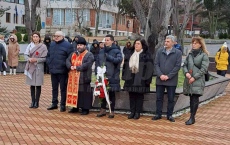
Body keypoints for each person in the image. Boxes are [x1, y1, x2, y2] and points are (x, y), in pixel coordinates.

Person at [122, 38, 154, 119]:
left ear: (142, 45)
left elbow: (150, 69)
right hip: (131, 78)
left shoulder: (146, 55)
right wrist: (124, 76)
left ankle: (137, 112)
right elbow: (125, 66)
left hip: (141, 79)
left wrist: (148, 80)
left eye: (138, 43)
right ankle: (132, 111)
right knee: (131, 95)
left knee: (139, 96)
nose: (136, 45)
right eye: (135, 43)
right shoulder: (130, 54)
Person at [153, 35, 182, 122]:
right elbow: (156, 64)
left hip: (171, 81)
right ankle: (158, 114)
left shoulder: (178, 53)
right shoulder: (160, 51)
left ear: (173, 43)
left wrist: (168, 76)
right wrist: (160, 75)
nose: (166, 42)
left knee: (170, 98)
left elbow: (177, 66)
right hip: (160, 79)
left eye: (168, 41)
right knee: (159, 98)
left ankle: (169, 115)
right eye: (165, 41)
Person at [182, 37, 209, 125]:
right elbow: (185, 65)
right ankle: (191, 116)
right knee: (191, 98)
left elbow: (204, 69)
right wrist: (186, 73)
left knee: (195, 98)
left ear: (200, 45)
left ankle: (192, 117)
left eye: (196, 43)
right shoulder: (190, 54)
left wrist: (194, 77)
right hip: (189, 78)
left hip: (197, 80)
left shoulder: (204, 55)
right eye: (193, 43)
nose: (193, 44)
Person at [96, 34, 123, 118]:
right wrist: (98, 71)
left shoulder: (117, 51)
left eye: (108, 40)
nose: (106, 42)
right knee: (102, 93)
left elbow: (118, 60)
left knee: (111, 94)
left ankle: (112, 110)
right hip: (102, 76)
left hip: (112, 76)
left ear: (112, 41)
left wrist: (109, 57)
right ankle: (103, 109)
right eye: (105, 40)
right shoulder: (101, 51)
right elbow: (97, 61)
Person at [46, 31, 74, 112]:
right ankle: (54, 103)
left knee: (63, 88)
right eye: (55, 36)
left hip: (63, 70)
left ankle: (63, 104)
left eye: (58, 36)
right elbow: (48, 55)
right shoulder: (52, 44)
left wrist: (66, 66)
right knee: (54, 88)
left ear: (62, 37)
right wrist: (49, 63)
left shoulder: (68, 45)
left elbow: (70, 57)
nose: (56, 37)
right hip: (53, 69)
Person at [66, 37, 94, 115]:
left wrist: (77, 67)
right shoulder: (73, 53)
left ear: (85, 46)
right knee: (76, 92)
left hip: (84, 77)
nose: (79, 47)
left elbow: (87, 64)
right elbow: (67, 60)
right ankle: (75, 107)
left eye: (81, 45)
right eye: (78, 45)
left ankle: (85, 109)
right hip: (73, 77)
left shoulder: (89, 54)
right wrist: (69, 66)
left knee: (84, 93)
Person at [24, 32, 48, 108]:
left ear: (39, 38)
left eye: (36, 36)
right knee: (32, 85)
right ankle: (32, 101)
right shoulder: (30, 45)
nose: (35, 38)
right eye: (34, 37)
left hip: (38, 67)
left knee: (38, 85)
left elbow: (45, 58)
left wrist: (36, 60)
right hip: (30, 66)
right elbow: (25, 54)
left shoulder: (43, 46)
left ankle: (37, 102)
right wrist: (29, 59)